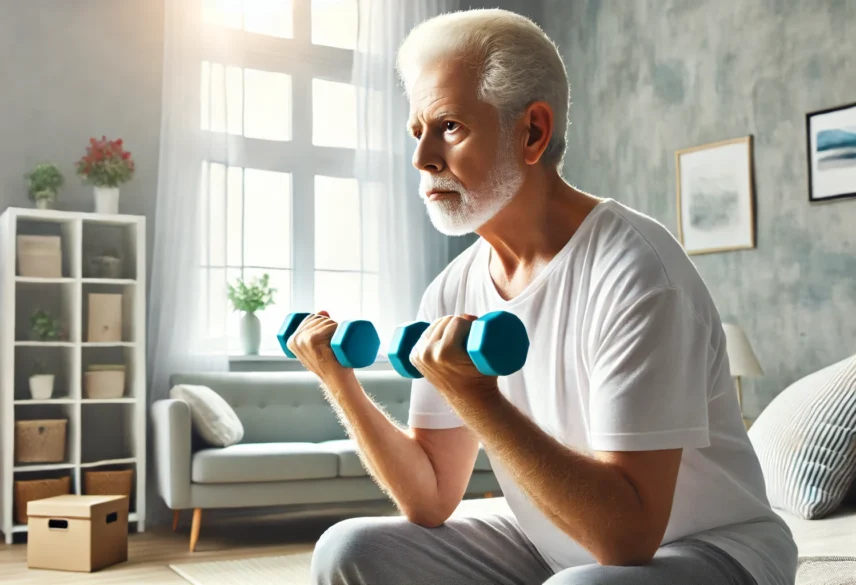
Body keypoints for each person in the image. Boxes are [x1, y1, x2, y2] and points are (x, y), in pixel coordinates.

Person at [288, 8, 797, 585]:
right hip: (558, 547)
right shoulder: (451, 289)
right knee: (349, 548)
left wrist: (478, 399)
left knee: (583, 584)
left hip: (714, 551)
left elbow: (626, 538)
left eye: (449, 126)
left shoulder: (637, 271)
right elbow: (430, 497)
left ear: (532, 132)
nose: (422, 158)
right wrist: (339, 382)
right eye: (417, 131)